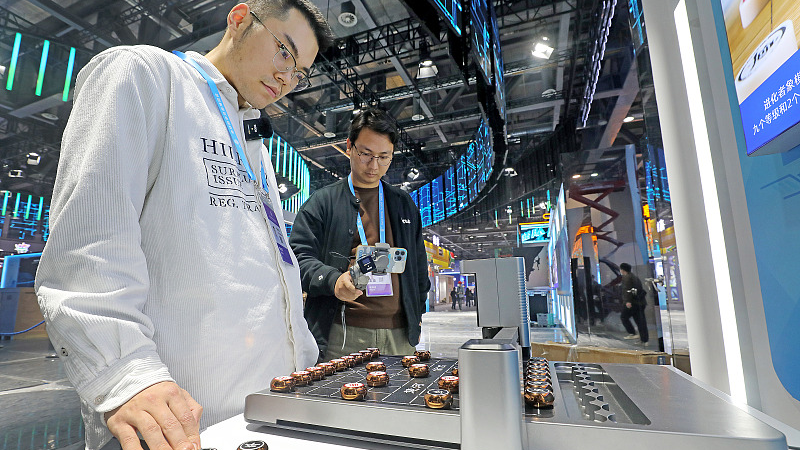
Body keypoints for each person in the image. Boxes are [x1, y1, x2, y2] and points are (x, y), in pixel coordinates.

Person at [34, 3, 333, 450]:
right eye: (284, 52)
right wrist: (128, 376)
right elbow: (88, 245)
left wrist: (305, 365)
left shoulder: (255, 144)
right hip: (177, 421)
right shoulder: (146, 75)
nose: (288, 78)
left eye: (301, 72)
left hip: (268, 414)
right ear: (238, 19)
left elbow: (275, 270)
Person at [289, 107, 430, 361]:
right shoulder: (323, 202)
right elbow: (298, 259)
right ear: (349, 147)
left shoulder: (403, 204)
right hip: (341, 334)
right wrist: (334, 281)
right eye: (365, 154)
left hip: (399, 336)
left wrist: (416, 317)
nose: (374, 165)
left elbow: (419, 268)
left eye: (384, 157)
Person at [619, 263, 649, 344]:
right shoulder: (634, 277)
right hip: (640, 302)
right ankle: (644, 340)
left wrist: (628, 301)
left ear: (622, 269)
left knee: (624, 317)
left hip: (633, 302)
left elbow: (628, 290)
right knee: (640, 321)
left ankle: (632, 333)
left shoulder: (627, 278)